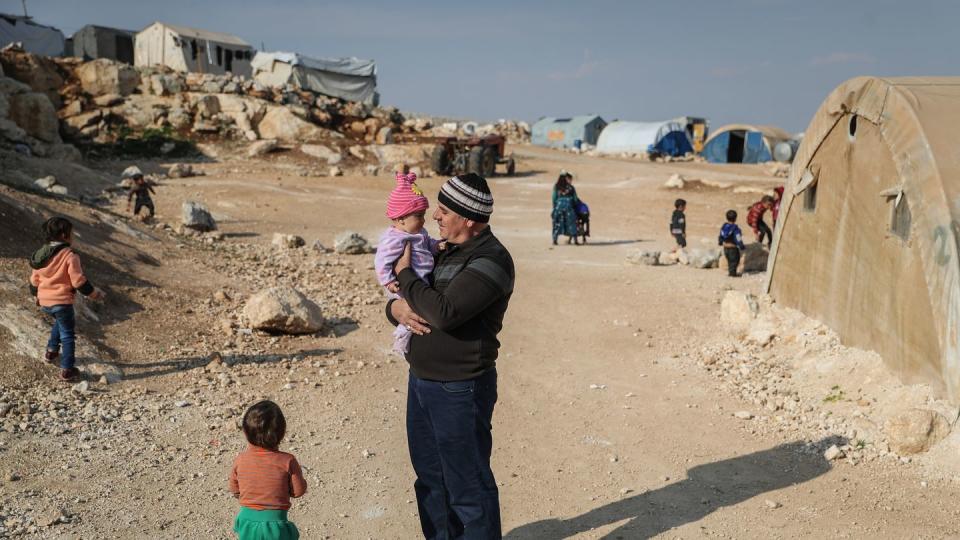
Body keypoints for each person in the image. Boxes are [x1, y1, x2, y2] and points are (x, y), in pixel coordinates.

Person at [386, 172, 514, 539]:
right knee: (430, 481)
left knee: (467, 486)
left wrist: (406, 273)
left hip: (460, 390)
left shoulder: (493, 260)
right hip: (422, 384)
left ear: (468, 218)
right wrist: (393, 310)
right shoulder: (442, 250)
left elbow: (444, 312)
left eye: (443, 211)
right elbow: (408, 303)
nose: (435, 218)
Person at [374, 171, 443, 354]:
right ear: (400, 218)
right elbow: (381, 261)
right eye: (418, 216)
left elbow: (429, 244)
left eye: (423, 215)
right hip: (403, 286)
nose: (423, 220)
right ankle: (402, 338)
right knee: (412, 311)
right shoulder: (394, 238)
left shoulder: (419, 233)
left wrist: (437, 246)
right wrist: (388, 281)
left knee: (421, 308)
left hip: (421, 278)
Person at [29, 217, 105, 381]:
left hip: (44, 301)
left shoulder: (41, 254)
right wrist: (94, 294)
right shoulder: (70, 256)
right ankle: (67, 369)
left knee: (59, 322)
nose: (73, 237)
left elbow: (34, 280)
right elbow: (78, 281)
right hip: (61, 301)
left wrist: (36, 296)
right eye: (72, 233)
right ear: (64, 235)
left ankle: (51, 351)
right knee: (68, 335)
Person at [229, 400, 307, 540]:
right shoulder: (288, 461)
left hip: (247, 522)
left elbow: (235, 490)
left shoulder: (240, 460)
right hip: (276, 527)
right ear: (282, 434)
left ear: (245, 433)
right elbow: (298, 491)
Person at [551, 172, 580, 245]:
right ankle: (575, 240)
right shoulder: (571, 187)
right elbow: (575, 199)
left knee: (557, 223)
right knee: (572, 222)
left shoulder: (556, 187)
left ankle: (555, 240)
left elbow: (554, 198)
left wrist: (555, 207)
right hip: (569, 207)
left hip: (558, 207)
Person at [718, 210, 746, 277]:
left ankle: (731, 273)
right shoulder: (735, 228)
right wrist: (741, 246)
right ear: (735, 218)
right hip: (732, 248)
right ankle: (732, 274)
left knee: (730, 260)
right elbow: (738, 238)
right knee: (735, 260)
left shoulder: (724, 227)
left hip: (725, 247)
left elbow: (720, 235)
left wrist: (720, 242)